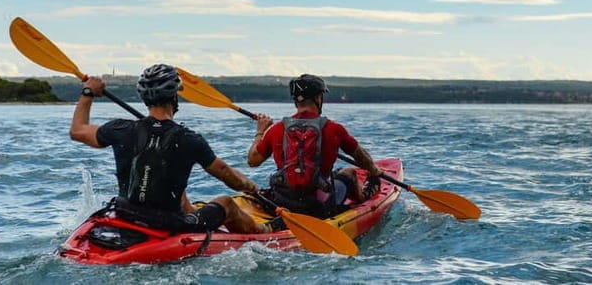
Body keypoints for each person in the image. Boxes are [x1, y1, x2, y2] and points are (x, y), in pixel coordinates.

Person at [69, 63, 275, 234]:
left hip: (124, 214)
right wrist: (250, 186)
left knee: (171, 183)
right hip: (168, 225)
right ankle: (265, 232)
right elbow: (228, 176)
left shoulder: (120, 129)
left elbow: (77, 131)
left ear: (144, 98)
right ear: (174, 97)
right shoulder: (189, 139)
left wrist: (88, 92)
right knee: (227, 203)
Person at [247, 73, 383, 218]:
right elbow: (362, 158)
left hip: (282, 201)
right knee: (349, 173)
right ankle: (362, 200)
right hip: (318, 207)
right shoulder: (334, 129)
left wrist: (260, 131)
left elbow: (252, 161)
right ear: (318, 98)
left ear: (295, 101)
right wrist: (375, 171)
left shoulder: (277, 129)